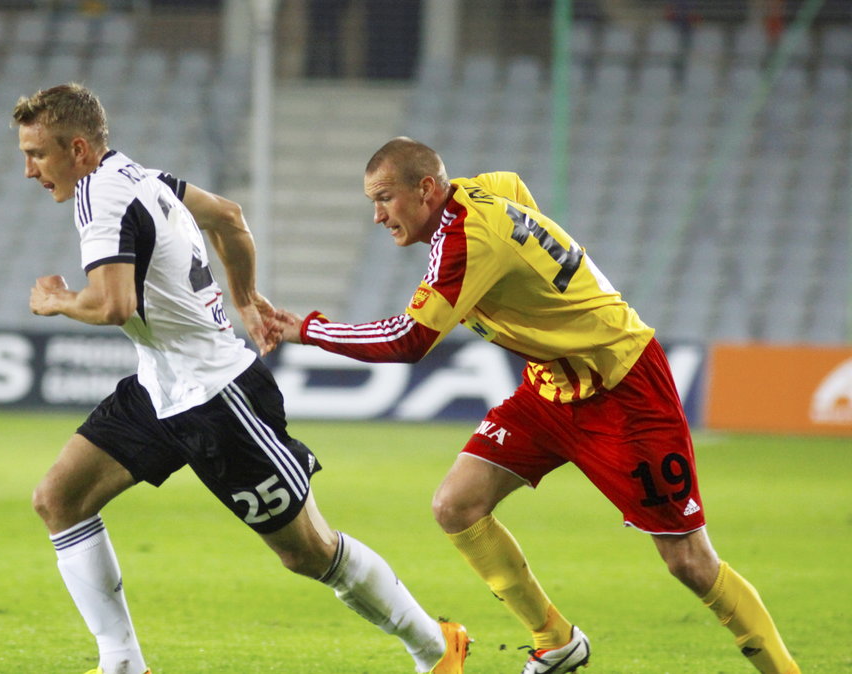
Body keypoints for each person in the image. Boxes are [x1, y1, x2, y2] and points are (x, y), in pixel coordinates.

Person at [272, 137, 800, 674]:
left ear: (426, 189)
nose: (379, 215)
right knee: (456, 505)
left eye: (384, 198)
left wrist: (305, 329)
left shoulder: (465, 240)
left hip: (623, 387)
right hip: (551, 387)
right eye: (372, 202)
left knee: (688, 561)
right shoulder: (484, 193)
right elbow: (516, 188)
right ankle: (556, 641)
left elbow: (409, 341)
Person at [12, 85, 469, 674]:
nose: (29, 170)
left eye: (38, 155)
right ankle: (121, 663)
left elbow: (112, 306)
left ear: (77, 149)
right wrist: (246, 297)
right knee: (59, 500)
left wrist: (56, 301)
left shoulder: (99, 196)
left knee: (309, 553)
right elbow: (228, 217)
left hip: (218, 401)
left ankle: (435, 646)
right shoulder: (143, 177)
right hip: (160, 388)